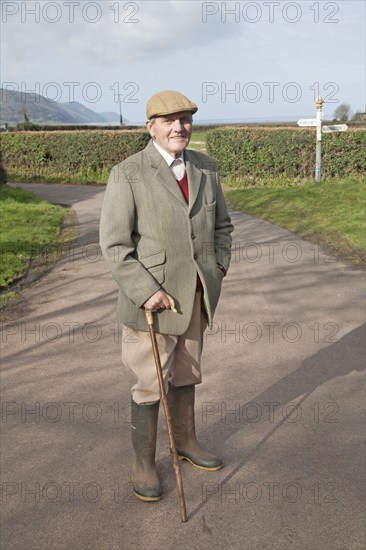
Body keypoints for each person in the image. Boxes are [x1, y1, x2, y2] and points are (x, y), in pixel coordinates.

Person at [99, 90, 233, 502]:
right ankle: (143, 462)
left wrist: (217, 267)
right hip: (152, 305)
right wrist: (146, 291)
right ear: (150, 127)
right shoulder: (128, 173)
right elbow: (115, 244)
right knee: (148, 383)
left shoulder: (206, 168)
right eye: (169, 120)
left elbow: (222, 228)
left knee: (188, 373)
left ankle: (186, 443)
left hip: (194, 297)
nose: (179, 127)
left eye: (186, 119)